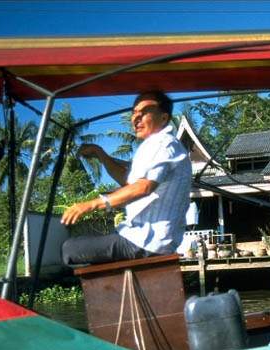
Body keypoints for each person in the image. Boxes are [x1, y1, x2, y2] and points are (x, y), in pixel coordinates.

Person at [60, 91, 191, 265]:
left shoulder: (162, 143)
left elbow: (143, 187)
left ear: (163, 118)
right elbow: (129, 183)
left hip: (145, 241)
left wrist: (90, 204)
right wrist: (100, 153)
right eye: (134, 113)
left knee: (69, 248)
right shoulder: (160, 145)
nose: (136, 118)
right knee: (85, 247)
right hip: (151, 241)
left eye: (144, 112)